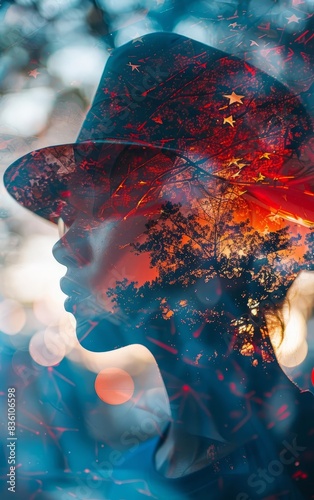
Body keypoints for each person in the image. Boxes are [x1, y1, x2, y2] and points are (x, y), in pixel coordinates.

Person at [4, 32, 314, 499]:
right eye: (64, 224)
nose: (63, 249)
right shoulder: (126, 481)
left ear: (207, 225)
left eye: (95, 209)